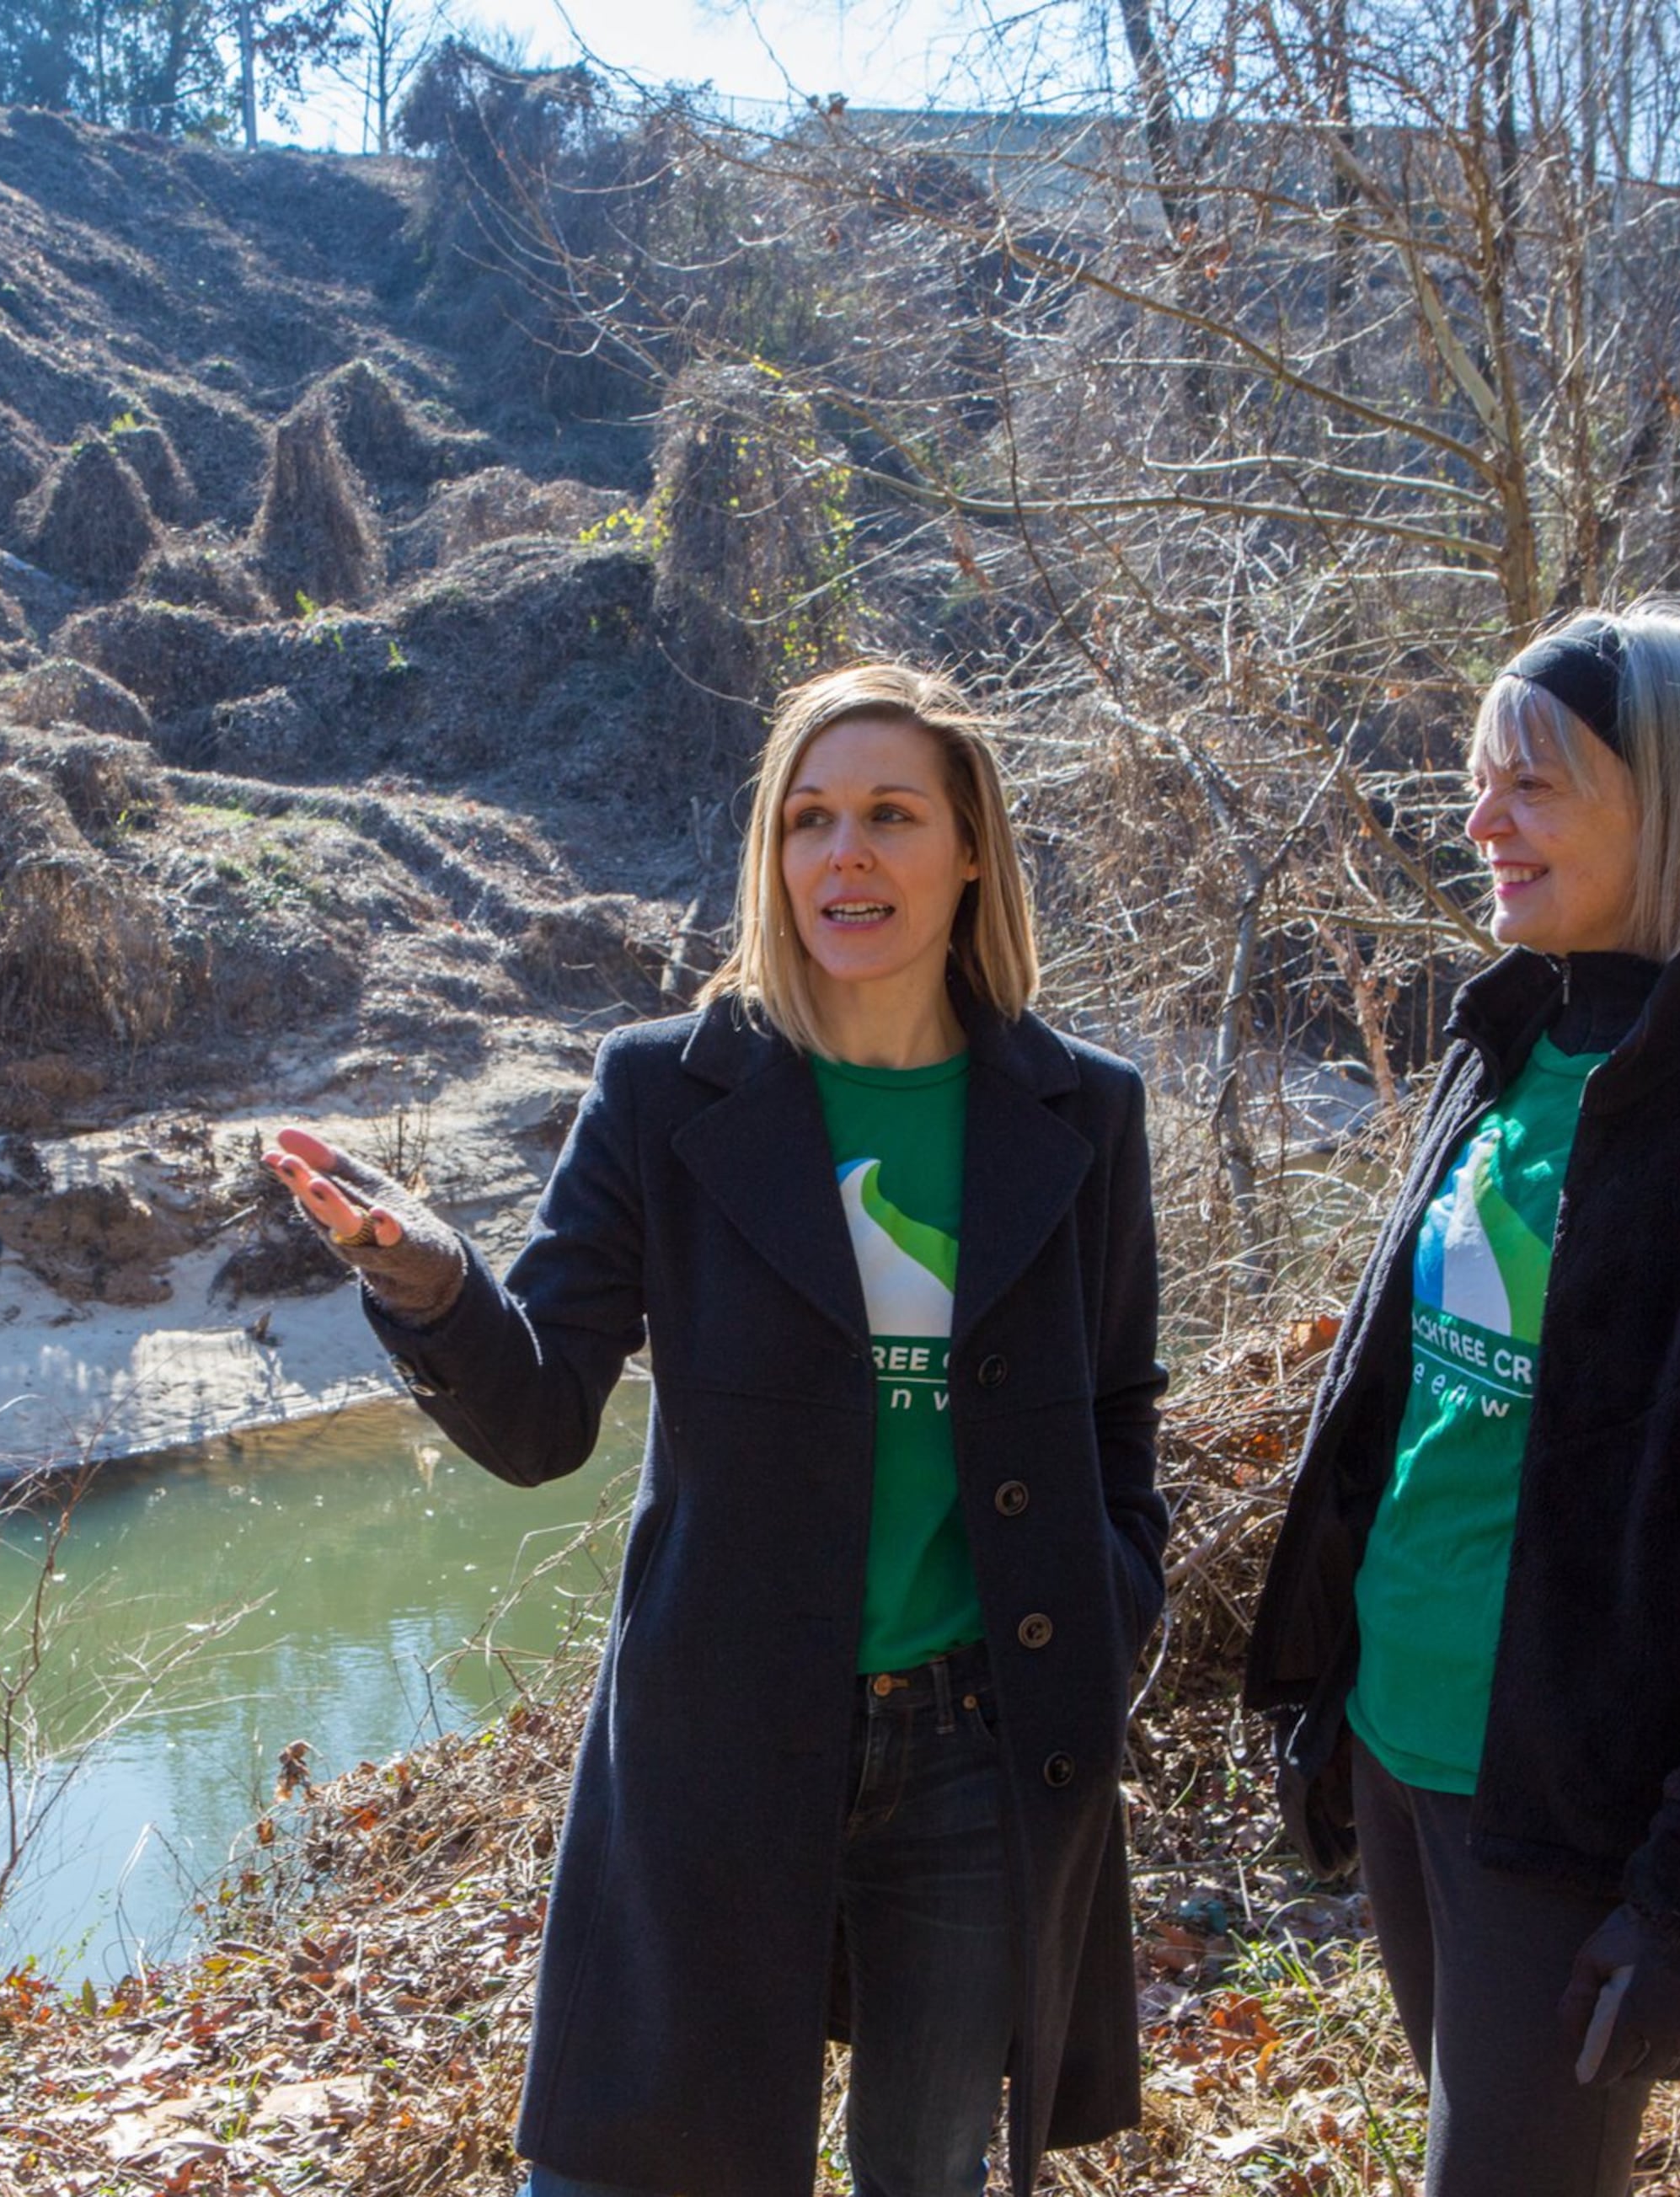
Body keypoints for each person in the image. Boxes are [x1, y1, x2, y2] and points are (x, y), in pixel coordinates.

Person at [262, 663, 1165, 2197]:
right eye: (809, 819)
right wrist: (428, 1279)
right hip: (721, 1725)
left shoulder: (1080, 1109)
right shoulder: (664, 1092)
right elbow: (545, 1406)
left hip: (979, 1739)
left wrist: (1109, 1608)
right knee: (642, 2166)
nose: (845, 854)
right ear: (772, 857)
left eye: (891, 815)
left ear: (969, 852)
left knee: (928, 2175)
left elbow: (1117, 1411)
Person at [1240, 607, 1680, 2194]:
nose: (1480, 820)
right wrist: (1326, 1687)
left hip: (1575, 1799)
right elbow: (1416, 1417)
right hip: (1404, 1750)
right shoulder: (1511, 1041)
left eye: (1534, 786)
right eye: (1480, 782)